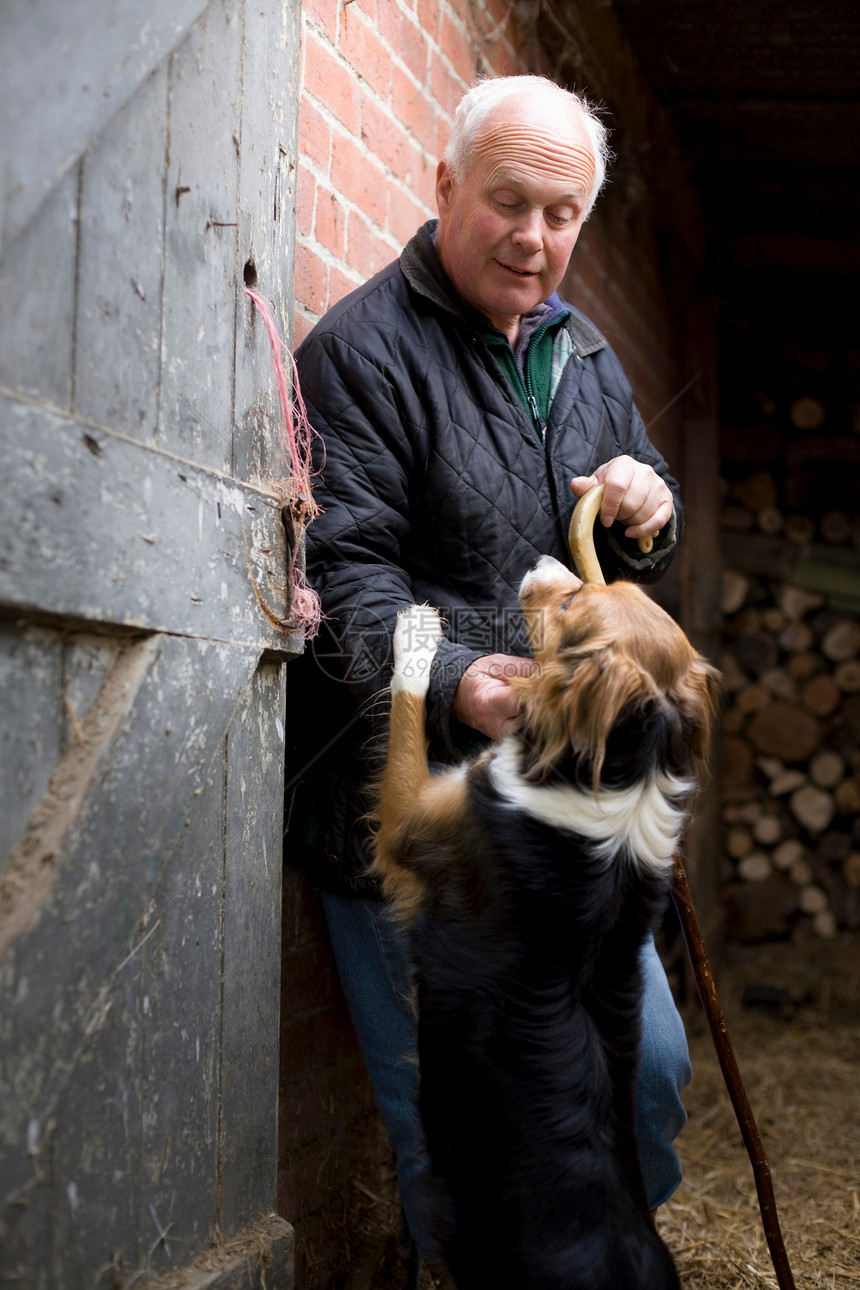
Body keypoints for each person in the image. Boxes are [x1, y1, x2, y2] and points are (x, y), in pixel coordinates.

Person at [288, 74, 690, 1284]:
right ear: (445, 186)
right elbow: (338, 585)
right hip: (425, 818)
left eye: (559, 214)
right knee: (447, 1129)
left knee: (646, 1076)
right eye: (506, 202)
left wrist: (647, 509)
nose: (532, 237)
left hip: (551, 815)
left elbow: (627, 563)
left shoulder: (580, 349)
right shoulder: (359, 351)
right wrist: (459, 681)